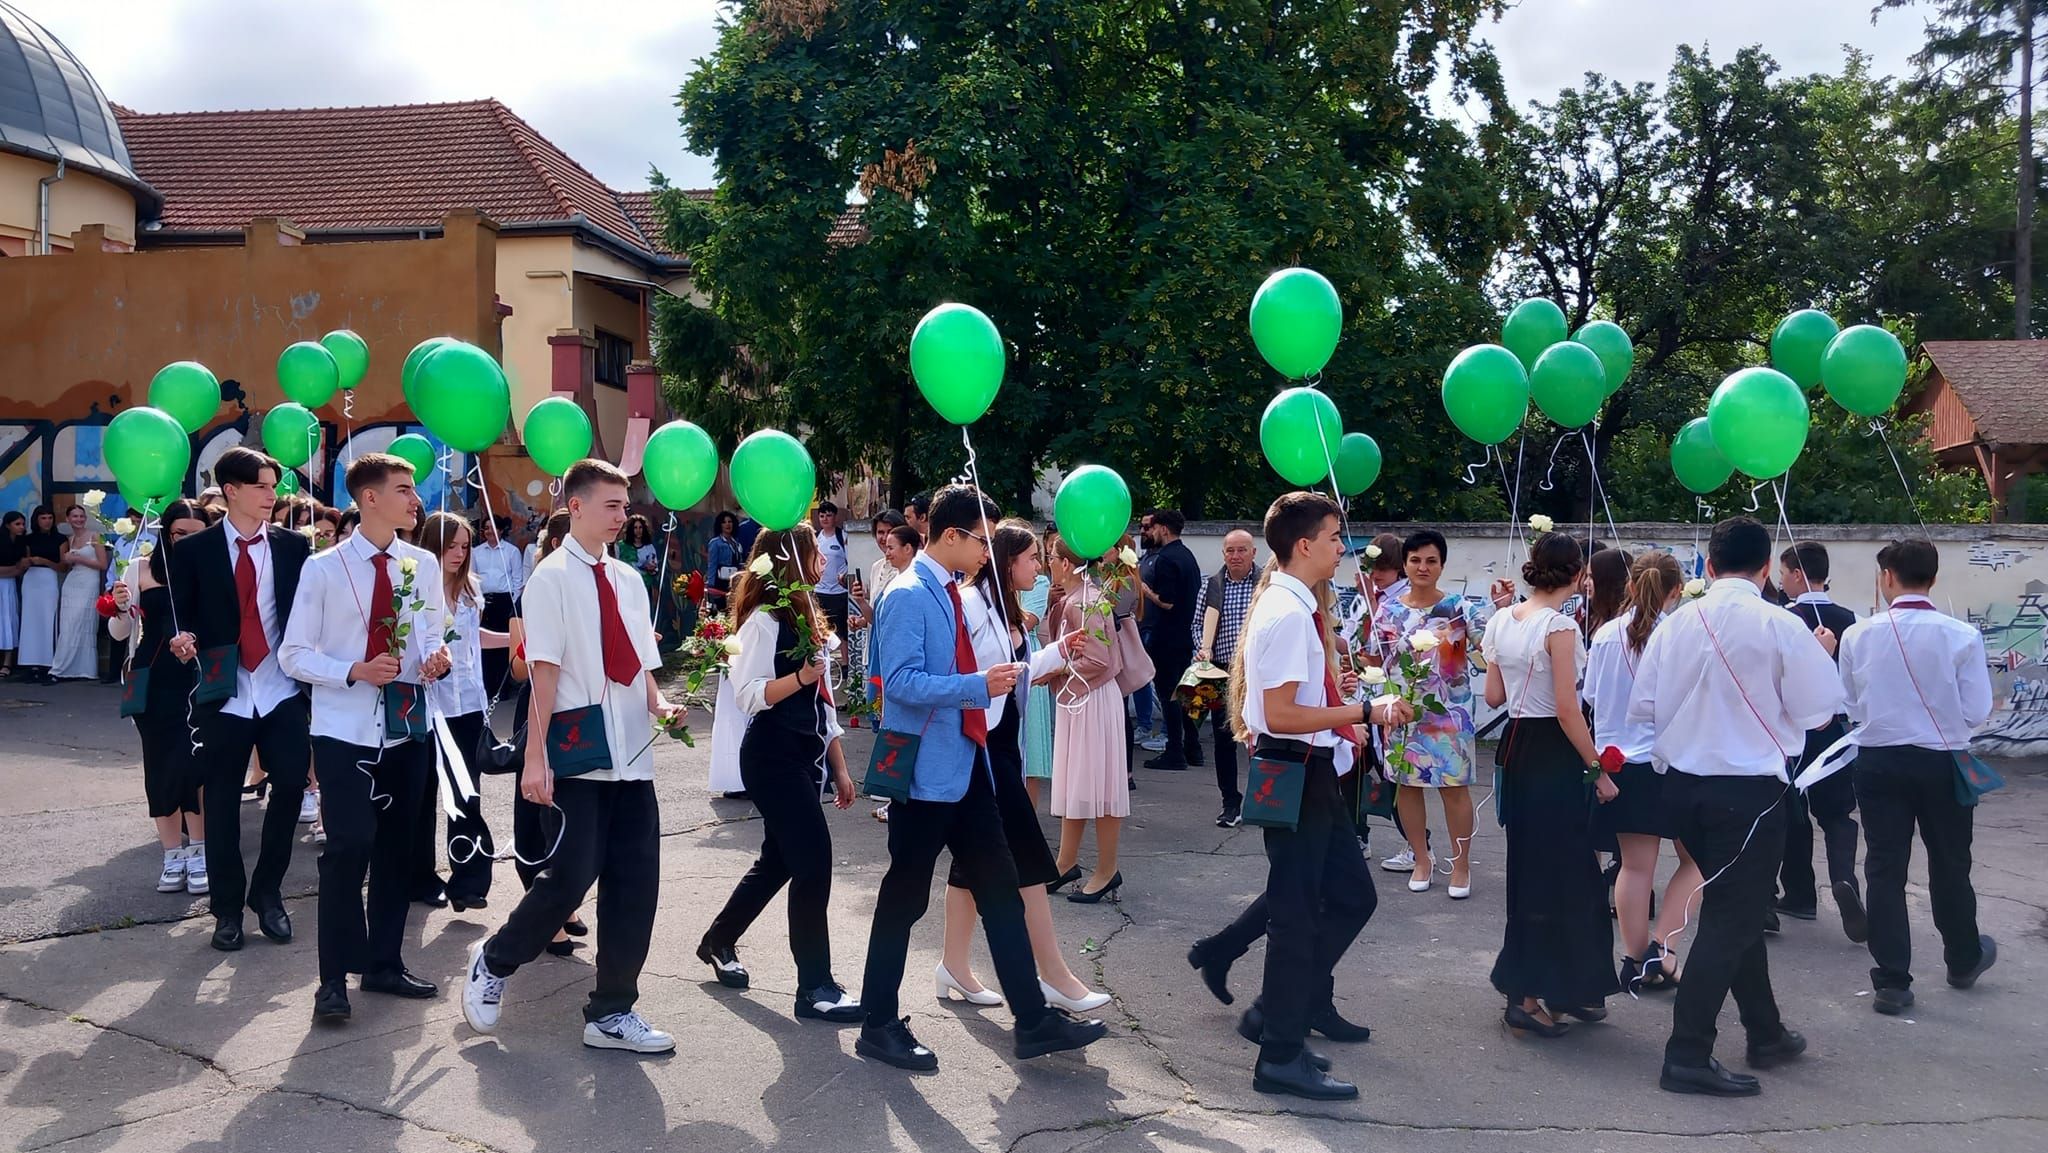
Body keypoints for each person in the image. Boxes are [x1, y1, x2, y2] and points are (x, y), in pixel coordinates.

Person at [854, 482, 1107, 1072]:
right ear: (951, 536)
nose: (987, 552)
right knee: (904, 898)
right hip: (924, 778)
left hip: (968, 770)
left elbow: (965, 672)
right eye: (982, 541)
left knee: (1000, 889)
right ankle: (878, 1023)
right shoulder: (909, 594)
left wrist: (1005, 674)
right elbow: (900, 686)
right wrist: (977, 685)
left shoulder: (943, 589)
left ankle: (1034, 1021)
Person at [462, 459, 682, 1054]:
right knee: (571, 876)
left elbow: (639, 665)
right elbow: (545, 672)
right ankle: (496, 961)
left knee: (637, 882)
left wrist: (662, 706)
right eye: (611, 505)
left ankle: (612, 1010)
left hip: (632, 752)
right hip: (580, 751)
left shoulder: (629, 579)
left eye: (625, 504)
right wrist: (536, 759)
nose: (623, 515)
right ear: (576, 507)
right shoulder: (551, 578)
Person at [1628, 516, 1838, 1097]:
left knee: (1733, 907)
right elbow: (1819, 714)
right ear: (1767, 568)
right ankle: (1687, 1054)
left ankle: (1765, 1031)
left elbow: (1643, 704)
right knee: (1731, 918)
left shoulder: (1673, 626)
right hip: (1746, 792)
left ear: (1709, 567)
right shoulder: (1781, 624)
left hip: (1682, 789)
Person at [1232, 491, 1409, 1101]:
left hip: (1312, 773)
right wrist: (1367, 709)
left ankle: (1273, 1016)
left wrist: (1350, 709)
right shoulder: (1284, 612)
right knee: (1296, 918)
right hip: (1293, 772)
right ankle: (1279, 1052)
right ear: (1303, 545)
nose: (1343, 549)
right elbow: (1280, 714)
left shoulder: (1298, 606)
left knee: (1351, 896)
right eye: (1335, 538)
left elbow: (1294, 704)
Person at [277, 452, 450, 1023]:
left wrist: (437, 658)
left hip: (405, 728)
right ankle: (332, 980)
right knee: (349, 847)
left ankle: (384, 964)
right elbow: (294, 654)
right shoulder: (323, 569)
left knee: (399, 850)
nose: (414, 499)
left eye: (413, 489)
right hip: (343, 731)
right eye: (403, 489)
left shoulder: (421, 563)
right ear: (369, 498)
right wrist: (352, 670)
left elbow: (430, 634)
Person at [936, 519, 1112, 1013]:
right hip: (983, 746)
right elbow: (969, 676)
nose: (1039, 565)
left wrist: (1058, 650)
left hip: (1000, 744)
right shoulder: (971, 604)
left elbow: (1017, 674)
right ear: (1006, 561)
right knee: (1028, 859)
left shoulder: (999, 606)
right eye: (1031, 557)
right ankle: (1053, 975)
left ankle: (952, 964)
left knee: (973, 864)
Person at [696, 523, 864, 1023]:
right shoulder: (764, 621)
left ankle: (718, 941)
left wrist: (840, 766)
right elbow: (750, 694)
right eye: (816, 553)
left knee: (778, 861)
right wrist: (801, 676)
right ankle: (814, 987)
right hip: (770, 758)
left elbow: (824, 702)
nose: (825, 563)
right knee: (812, 861)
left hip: (802, 757)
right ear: (795, 556)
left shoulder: (806, 613)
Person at [1838, 538, 1997, 1016]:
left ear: (1887, 576)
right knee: (1950, 863)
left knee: (1884, 868)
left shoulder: (1857, 635)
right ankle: (1963, 958)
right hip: (1942, 759)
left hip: (1879, 760)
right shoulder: (1961, 636)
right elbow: (1976, 710)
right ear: (1934, 577)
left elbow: (1849, 703)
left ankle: (1892, 981)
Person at [167, 448, 313, 955]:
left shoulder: (295, 547)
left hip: (281, 686)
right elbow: (177, 614)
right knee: (223, 801)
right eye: (262, 487)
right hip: (224, 690)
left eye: (274, 486)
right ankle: (226, 910)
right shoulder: (194, 551)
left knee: (293, 783)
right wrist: (181, 637)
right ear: (231, 490)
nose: (273, 496)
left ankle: (267, 894)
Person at [1482, 532, 1620, 1039]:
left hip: (1517, 748)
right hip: (1553, 755)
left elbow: (1494, 695)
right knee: (1567, 874)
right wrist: (1597, 770)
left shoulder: (1502, 619)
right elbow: (1567, 709)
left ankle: (1563, 986)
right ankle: (1530, 994)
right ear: (1577, 572)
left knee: (1537, 872)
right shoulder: (1560, 627)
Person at [1583, 551, 1703, 993]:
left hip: (1619, 763)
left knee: (1634, 868)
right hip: (1674, 762)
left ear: (1631, 585)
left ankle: (1634, 960)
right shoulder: (1682, 634)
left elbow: (1592, 697)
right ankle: (1663, 946)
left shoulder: (1606, 634)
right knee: (1699, 859)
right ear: (1676, 590)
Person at [1371, 530, 1488, 897]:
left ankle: (1461, 863)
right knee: (1406, 786)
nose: (1423, 567)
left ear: (1442, 565)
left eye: (1431, 560)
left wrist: (1502, 608)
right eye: (1415, 560)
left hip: (1449, 713)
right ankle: (1421, 858)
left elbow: (1491, 649)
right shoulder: (1388, 610)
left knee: (1454, 790)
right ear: (1405, 564)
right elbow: (1373, 658)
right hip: (1403, 712)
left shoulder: (1460, 608)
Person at [107, 500, 214, 896]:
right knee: (160, 766)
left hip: (199, 678)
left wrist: (195, 641)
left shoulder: (212, 570)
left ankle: (200, 851)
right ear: (165, 533)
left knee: (196, 766)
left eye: (196, 533)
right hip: (152, 681)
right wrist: (119, 610)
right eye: (179, 533)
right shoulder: (140, 569)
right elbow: (121, 634)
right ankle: (173, 854)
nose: (187, 540)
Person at [418, 512, 512, 914]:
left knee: (465, 796)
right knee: (423, 798)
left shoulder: (472, 587)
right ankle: (419, 876)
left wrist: (516, 639)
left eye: (463, 546)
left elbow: (476, 639)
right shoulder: (417, 587)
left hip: (470, 706)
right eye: (450, 546)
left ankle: (469, 882)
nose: (458, 554)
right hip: (427, 707)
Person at [1775, 541, 1866, 941]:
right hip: (1837, 731)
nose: (1781, 581)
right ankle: (1844, 877)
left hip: (1793, 730)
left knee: (1792, 813)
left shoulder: (1782, 620)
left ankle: (1800, 894)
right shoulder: (1855, 621)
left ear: (1797, 574)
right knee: (1837, 814)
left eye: (1783, 573)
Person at [508, 508, 587, 956]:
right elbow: (521, 671)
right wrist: (533, 647)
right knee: (538, 815)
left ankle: (565, 905)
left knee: (570, 813)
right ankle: (547, 913)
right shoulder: (532, 595)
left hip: (579, 711)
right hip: (540, 707)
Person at [1048, 532, 1130, 901]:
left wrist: (1054, 670)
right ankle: (1066, 862)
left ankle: (1107, 868)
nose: (1047, 563)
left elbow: (1097, 661)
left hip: (1091, 700)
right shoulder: (1078, 599)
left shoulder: (1085, 602)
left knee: (1101, 785)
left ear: (1065, 564)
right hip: (1083, 699)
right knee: (1080, 782)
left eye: (1051, 556)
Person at [1192, 529, 1259, 826]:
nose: (1235, 556)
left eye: (1241, 550)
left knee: (1260, 738)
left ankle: (1263, 801)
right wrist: (1201, 649)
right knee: (1222, 739)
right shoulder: (1212, 585)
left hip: (1256, 671)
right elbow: (1196, 624)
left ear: (1253, 553)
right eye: (1230, 551)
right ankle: (1230, 802)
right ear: (1223, 554)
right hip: (1217, 669)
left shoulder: (1265, 585)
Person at [49, 503, 108, 681]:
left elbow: (102, 564)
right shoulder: (70, 539)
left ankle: (83, 669)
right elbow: (67, 564)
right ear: (68, 519)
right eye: (74, 516)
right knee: (67, 625)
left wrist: (78, 558)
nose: (79, 519)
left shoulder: (96, 536)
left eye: (81, 516)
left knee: (82, 623)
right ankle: (65, 668)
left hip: (89, 581)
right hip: (72, 582)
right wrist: (68, 560)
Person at [472, 514, 523, 700]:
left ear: (501, 530)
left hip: (505, 602)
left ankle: (503, 690)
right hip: (484, 602)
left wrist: (514, 605)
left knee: (504, 646)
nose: (489, 532)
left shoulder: (511, 551)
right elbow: (472, 578)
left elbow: (517, 579)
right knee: (484, 646)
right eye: (485, 528)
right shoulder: (476, 552)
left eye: (493, 528)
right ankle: (488, 688)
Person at [1584, 546, 1632, 640]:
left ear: (1606, 580)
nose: (1585, 583)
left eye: (1591, 577)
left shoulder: (1625, 623)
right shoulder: (1591, 615)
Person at [703, 510, 745, 612]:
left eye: (730, 521)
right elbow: (712, 564)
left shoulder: (737, 544)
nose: (727, 524)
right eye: (724, 522)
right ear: (720, 525)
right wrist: (711, 586)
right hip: (719, 584)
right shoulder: (715, 543)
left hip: (733, 584)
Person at [0, 510, 24, 679]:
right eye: (17, 524)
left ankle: (7, 661)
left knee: (9, 620)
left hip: (9, 585)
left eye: (22, 524)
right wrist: (15, 570)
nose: (21, 527)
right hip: (4, 582)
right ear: (8, 525)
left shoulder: (21, 542)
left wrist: (15, 570)